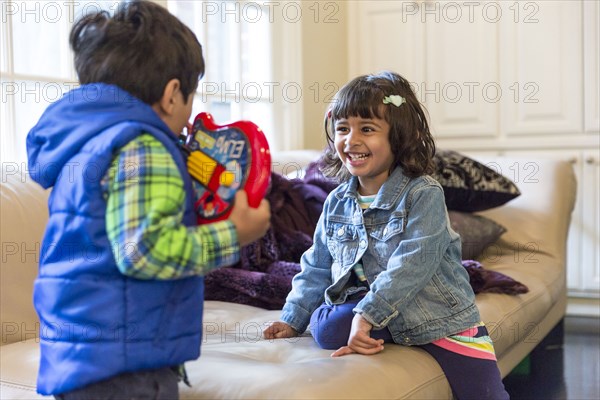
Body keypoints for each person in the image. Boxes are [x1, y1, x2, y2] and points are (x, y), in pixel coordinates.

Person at [26, 1, 270, 398]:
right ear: (173, 94)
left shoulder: (88, 144)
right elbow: (144, 251)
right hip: (126, 362)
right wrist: (234, 234)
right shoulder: (146, 146)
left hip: (84, 353)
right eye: (191, 99)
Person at [264, 71, 509, 399]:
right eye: (342, 129)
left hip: (438, 316)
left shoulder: (423, 193)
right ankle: (362, 319)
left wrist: (367, 316)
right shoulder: (337, 201)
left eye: (367, 129)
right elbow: (317, 265)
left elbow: (413, 263)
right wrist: (293, 318)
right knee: (326, 328)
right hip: (369, 305)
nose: (351, 140)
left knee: (487, 394)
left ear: (399, 137)